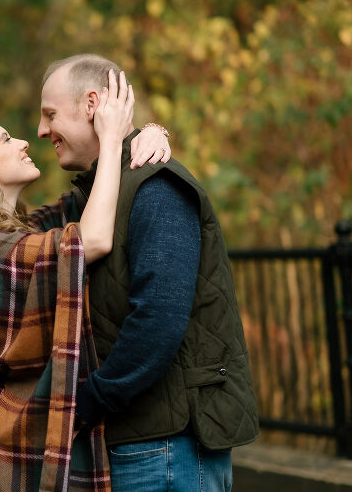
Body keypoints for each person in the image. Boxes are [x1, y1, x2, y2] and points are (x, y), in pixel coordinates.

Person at [0, 71, 171, 492]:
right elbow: (89, 238)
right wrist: (111, 144)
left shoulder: (19, 233)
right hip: (17, 436)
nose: (24, 141)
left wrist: (147, 134)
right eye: (4, 139)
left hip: (39, 423)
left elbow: (92, 197)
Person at [37, 53, 259, 491]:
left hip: (166, 449)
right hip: (136, 440)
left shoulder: (156, 187)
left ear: (92, 105)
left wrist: (90, 401)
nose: (42, 131)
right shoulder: (92, 200)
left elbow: (158, 320)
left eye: (49, 114)